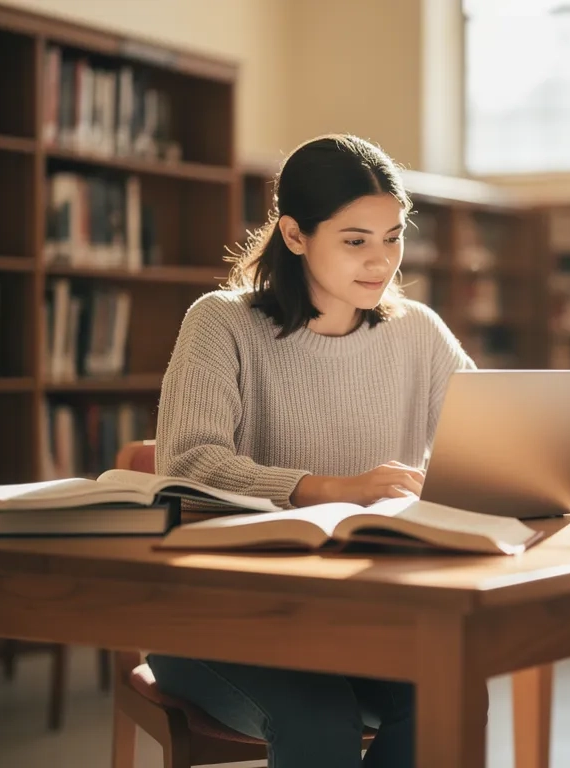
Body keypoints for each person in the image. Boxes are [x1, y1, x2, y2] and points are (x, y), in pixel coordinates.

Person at [146, 134, 476, 768]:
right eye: (356, 241)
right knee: (320, 718)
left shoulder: (418, 332)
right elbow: (187, 467)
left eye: (393, 236)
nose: (382, 262)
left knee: (449, 692)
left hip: (359, 613)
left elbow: (492, 439)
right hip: (217, 618)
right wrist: (337, 487)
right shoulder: (221, 322)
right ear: (295, 236)